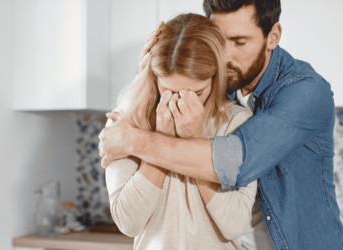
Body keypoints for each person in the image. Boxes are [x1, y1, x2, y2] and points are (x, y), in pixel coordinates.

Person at [100, 0, 343, 249]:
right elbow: (177, 74)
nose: (225, 56)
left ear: (273, 37)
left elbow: (233, 162)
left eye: (239, 42)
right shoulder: (216, 86)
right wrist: (148, 71)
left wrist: (132, 140)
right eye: (219, 40)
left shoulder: (306, 91)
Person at [105, 13, 262, 250]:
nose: (180, 103)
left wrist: (195, 141)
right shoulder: (127, 123)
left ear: (215, 77)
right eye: (169, 90)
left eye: (196, 93)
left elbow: (234, 224)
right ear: (154, 76)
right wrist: (161, 139)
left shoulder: (239, 124)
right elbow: (129, 222)